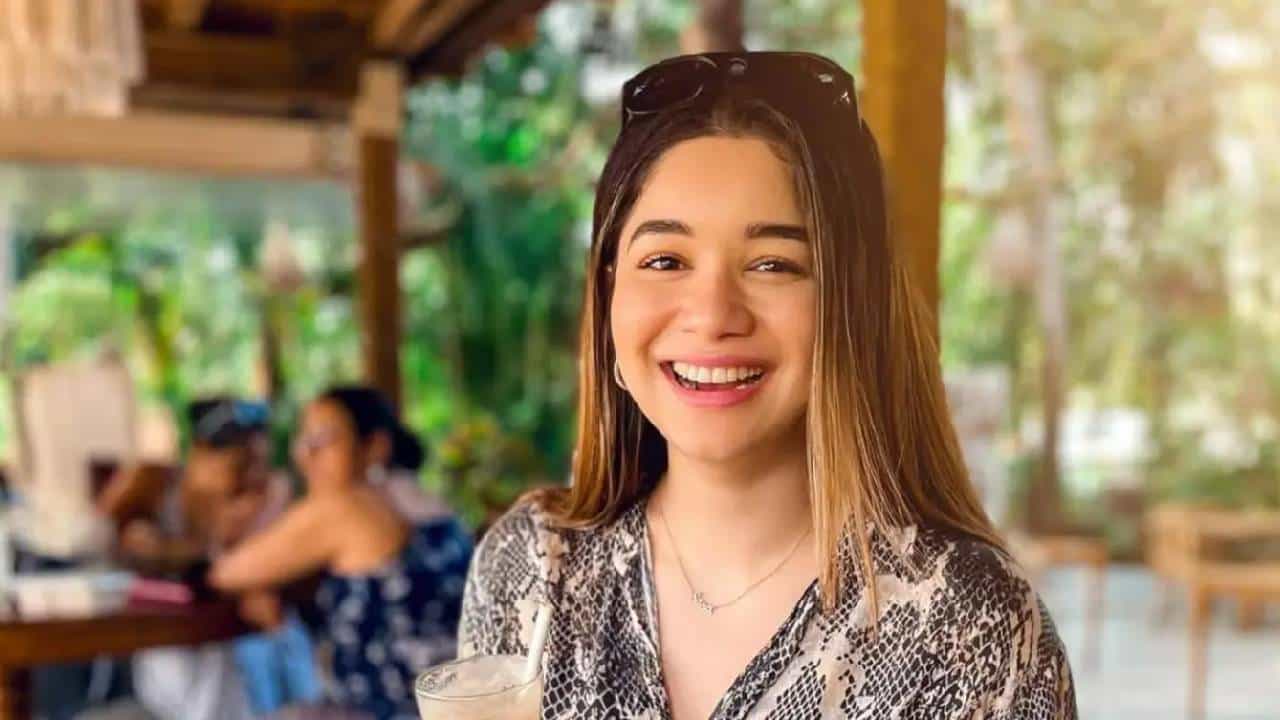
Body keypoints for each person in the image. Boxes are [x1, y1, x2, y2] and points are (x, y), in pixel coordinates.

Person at [458, 51, 1078, 719]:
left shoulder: (970, 630)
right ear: (610, 296)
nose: (712, 315)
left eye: (773, 264)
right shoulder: (533, 571)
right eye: (665, 260)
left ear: (853, 304)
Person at [210, 385, 473, 720]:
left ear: (375, 447)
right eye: (304, 439)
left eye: (323, 439)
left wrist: (269, 500)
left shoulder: (347, 506)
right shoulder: (429, 505)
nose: (306, 454)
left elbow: (225, 573)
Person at [96, 397, 320, 720]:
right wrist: (210, 546)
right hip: (170, 665)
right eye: (240, 464)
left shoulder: (268, 495)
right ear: (199, 454)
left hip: (240, 665)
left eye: (260, 463)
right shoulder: (156, 486)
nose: (252, 475)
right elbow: (125, 543)